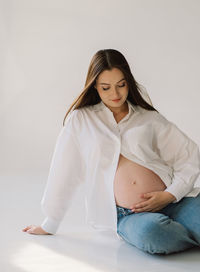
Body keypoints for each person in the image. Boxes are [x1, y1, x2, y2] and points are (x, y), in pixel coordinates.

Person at [22, 49, 200, 255]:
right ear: (94, 86)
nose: (115, 94)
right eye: (106, 88)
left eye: (121, 85)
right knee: (153, 234)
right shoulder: (81, 119)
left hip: (174, 202)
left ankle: (183, 229)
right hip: (129, 215)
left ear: (129, 82)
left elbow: (189, 156)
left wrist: (170, 194)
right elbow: (64, 171)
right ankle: (186, 233)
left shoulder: (147, 118)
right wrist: (50, 222)